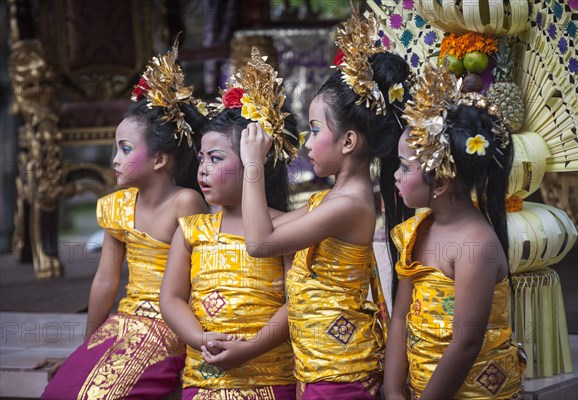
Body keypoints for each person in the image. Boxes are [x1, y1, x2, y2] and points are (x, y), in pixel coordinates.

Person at [238, 12, 412, 399]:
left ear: (348, 142)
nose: (306, 140)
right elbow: (271, 223)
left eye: (315, 130)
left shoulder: (349, 204)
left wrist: (251, 165)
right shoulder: (331, 199)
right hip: (324, 367)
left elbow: (260, 242)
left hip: (341, 373)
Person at [37, 40, 210, 400]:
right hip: (124, 320)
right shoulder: (116, 206)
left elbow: (198, 284)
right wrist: (86, 350)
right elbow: (105, 281)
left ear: (160, 160)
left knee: (96, 395)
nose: (114, 158)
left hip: (168, 325)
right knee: (60, 390)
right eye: (116, 148)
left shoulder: (186, 202)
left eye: (125, 149)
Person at [159, 48, 300, 400]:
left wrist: (251, 348)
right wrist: (199, 338)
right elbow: (172, 298)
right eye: (202, 158)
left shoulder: (285, 228)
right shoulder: (191, 229)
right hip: (203, 378)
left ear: (255, 165)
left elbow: (296, 302)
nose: (203, 169)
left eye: (216, 158)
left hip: (268, 377)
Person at [384, 64, 526, 399]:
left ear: (442, 182)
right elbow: (401, 317)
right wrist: (392, 391)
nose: (395, 175)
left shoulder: (475, 245)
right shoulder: (417, 231)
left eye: (405, 167)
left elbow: (466, 343)